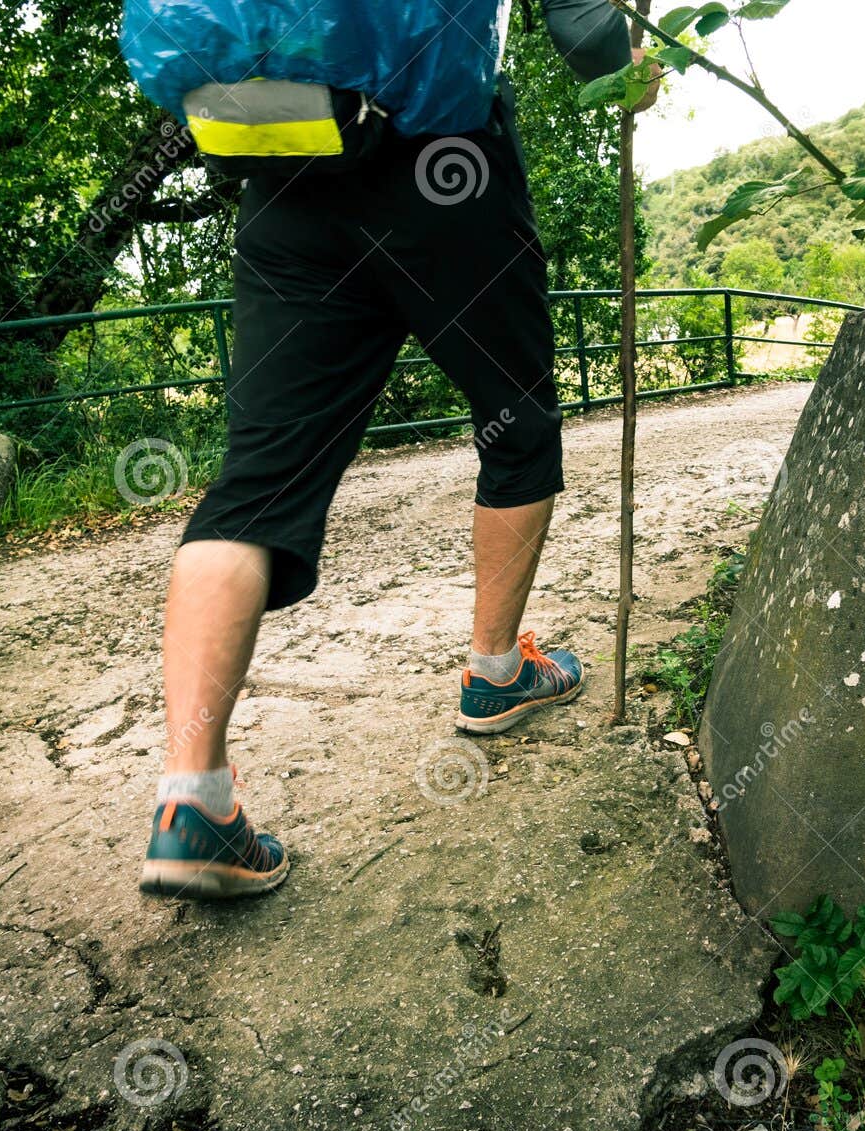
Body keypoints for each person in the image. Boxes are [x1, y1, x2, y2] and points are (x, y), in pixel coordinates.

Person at [135, 1, 658, 899]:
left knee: (255, 482)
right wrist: (627, 63)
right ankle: (496, 672)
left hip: (286, 177)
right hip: (442, 174)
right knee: (516, 421)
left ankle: (193, 799)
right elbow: (588, 37)